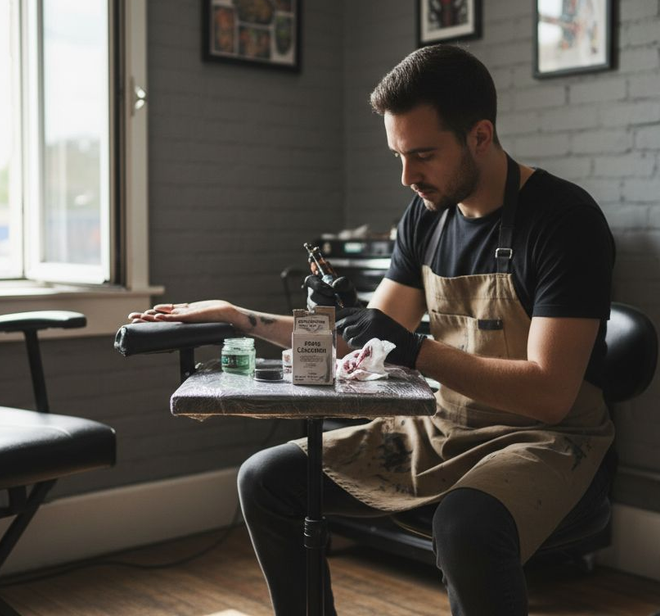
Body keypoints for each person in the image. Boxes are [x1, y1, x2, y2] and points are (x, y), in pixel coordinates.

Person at [129, 44, 616, 616]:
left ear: (480, 136)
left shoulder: (563, 220)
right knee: (266, 479)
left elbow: (550, 394)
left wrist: (416, 349)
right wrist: (236, 316)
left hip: (543, 442)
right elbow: (352, 339)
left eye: (425, 155)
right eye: (399, 156)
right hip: (437, 428)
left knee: (466, 526)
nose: (408, 177)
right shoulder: (426, 218)